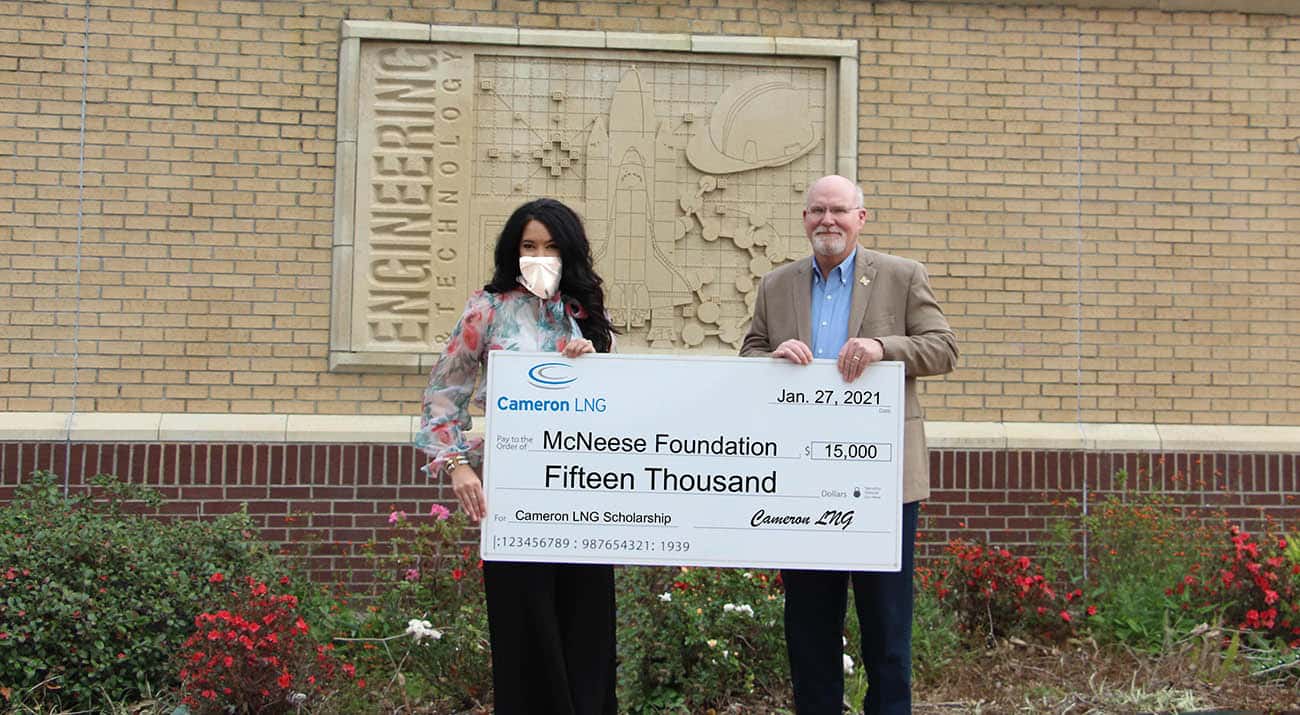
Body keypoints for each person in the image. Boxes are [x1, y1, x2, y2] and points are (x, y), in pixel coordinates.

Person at [740, 175, 958, 715]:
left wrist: (882, 347)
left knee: (886, 626)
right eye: (817, 210)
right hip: (802, 482)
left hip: (881, 482)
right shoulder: (777, 285)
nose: (827, 221)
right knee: (809, 625)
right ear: (805, 218)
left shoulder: (902, 277)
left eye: (838, 210)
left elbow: (943, 349)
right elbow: (748, 354)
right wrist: (771, 358)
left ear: (861, 218)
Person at [415, 198, 619, 715]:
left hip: (583, 491)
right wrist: (458, 467)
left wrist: (593, 362)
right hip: (516, 491)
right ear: (514, 250)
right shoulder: (487, 309)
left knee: (587, 629)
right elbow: (445, 393)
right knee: (527, 628)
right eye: (529, 246)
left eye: (550, 246)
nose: (539, 255)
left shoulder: (586, 311)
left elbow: (616, 401)